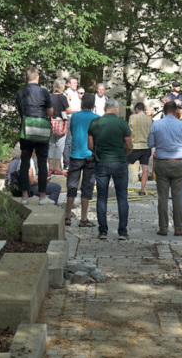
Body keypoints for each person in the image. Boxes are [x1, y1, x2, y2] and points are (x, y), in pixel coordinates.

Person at [88, 98, 133, 240]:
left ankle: (102, 231)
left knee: (101, 197)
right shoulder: (122, 123)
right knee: (122, 197)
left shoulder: (95, 123)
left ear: (104, 108)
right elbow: (130, 146)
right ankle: (123, 232)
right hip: (119, 162)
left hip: (101, 163)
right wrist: (122, 154)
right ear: (116, 108)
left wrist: (97, 153)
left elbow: (90, 146)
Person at [147, 100, 182, 235]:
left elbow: (150, 143)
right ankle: (178, 227)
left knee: (163, 196)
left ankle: (163, 227)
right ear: (176, 111)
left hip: (162, 162)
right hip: (178, 162)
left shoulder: (156, 124)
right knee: (177, 196)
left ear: (164, 111)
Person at [15, 67, 52, 202]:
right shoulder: (44, 92)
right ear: (38, 78)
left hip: (26, 130)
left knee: (25, 162)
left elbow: (20, 111)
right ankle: (42, 196)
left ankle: (25, 195)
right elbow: (51, 112)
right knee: (42, 163)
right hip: (41, 132)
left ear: (26, 78)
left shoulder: (20, 93)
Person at [65, 93, 98, 228]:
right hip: (90, 156)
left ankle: (67, 216)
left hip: (76, 155)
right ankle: (83, 218)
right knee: (87, 187)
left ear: (82, 103)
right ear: (93, 105)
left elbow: (71, 132)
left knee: (72, 185)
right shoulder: (97, 118)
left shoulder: (75, 116)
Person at [128, 101, 153, 195]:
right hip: (146, 146)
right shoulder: (149, 119)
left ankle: (120, 185)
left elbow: (129, 130)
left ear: (136, 109)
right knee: (145, 168)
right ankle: (142, 190)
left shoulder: (132, 117)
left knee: (124, 164)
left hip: (135, 146)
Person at [48, 79, 69, 175]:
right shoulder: (63, 97)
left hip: (51, 122)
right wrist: (77, 110)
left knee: (51, 145)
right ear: (62, 86)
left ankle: (50, 167)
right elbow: (68, 110)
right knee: (60, 146)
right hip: (61, 123)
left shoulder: (50, 96)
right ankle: (57, 167)